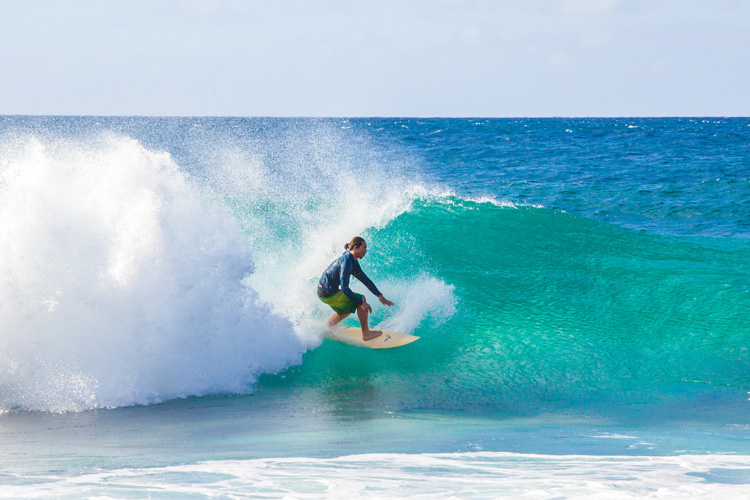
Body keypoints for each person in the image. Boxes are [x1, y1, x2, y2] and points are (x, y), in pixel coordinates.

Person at [317, 236, 394, 340]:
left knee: (346, 310)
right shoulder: (347, 262)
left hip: (324, 292)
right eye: (364, 248)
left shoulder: (351, 260)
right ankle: (366, 334)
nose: (365, 251)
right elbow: (344, 288)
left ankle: (327, 327)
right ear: (356, 247)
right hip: (328, 293)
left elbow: (365, 280)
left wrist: (379, 295)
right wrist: (361, 303)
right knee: (361, 299)